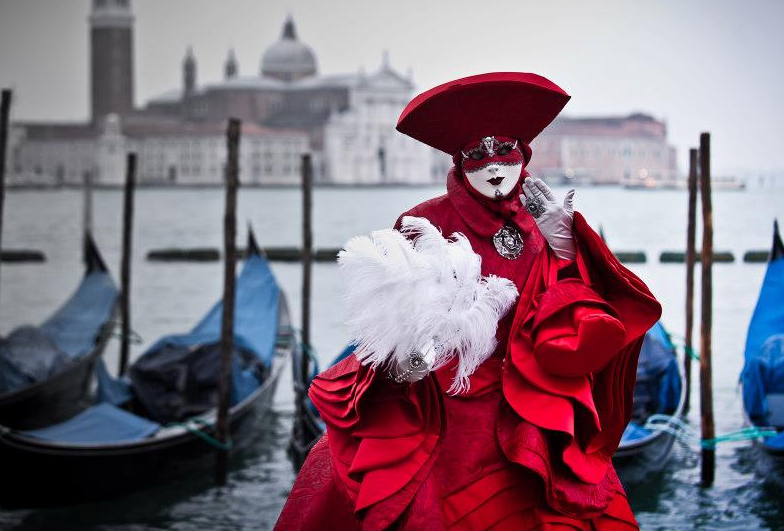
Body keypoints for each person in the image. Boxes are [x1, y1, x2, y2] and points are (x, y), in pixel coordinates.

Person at [275, 72, 661, 531]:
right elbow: (395, 323)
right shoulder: (423, 221)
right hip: (442, 406)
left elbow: (580, 318)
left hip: (530, 410)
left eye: (504, 149)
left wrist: (570, 249)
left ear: (524, 153)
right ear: (459, 161)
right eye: (477, 154)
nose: (493, 165)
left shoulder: (545, 223)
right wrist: (408, 360)